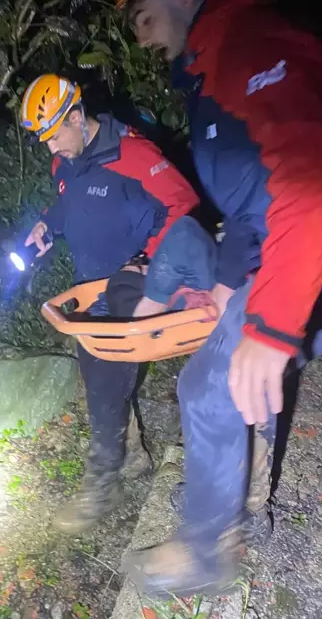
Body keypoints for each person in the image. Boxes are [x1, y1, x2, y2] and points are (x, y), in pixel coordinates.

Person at [111, 0, 322, 596]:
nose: (141, 35)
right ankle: (244, 508)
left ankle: (209, 554)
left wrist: (271, 326)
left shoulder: (250, 44)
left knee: (209, 386)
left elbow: (319, 172)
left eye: (144, 15)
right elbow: (254, 194)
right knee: (232, 361)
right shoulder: (214, 66)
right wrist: (226, 290)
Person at [19, 73, 198, 535]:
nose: (51, 149)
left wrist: (146, 260)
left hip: (127, 291)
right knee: (98, 377)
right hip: (86, 283)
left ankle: (104, 481)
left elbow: (184, 205)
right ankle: (133, 456)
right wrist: (46, 227)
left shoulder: (134, 156)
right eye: (45, 140)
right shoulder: (67, 161)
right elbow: (64, 203)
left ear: (78, 117)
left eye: (56, 135)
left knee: (100, 379)